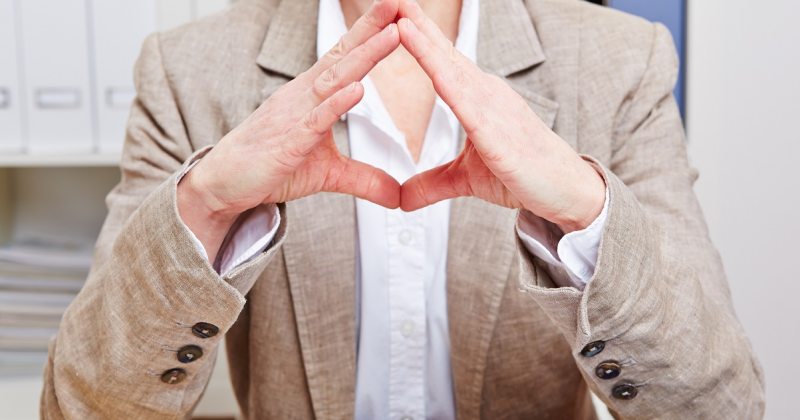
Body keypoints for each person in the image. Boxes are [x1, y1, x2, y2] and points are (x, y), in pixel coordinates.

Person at [40, 0, 765, 418]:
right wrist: (204, 206)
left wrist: (584, 210)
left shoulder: (619, 60)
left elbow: (721, 405)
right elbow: (81, 404)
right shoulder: (188, 70)